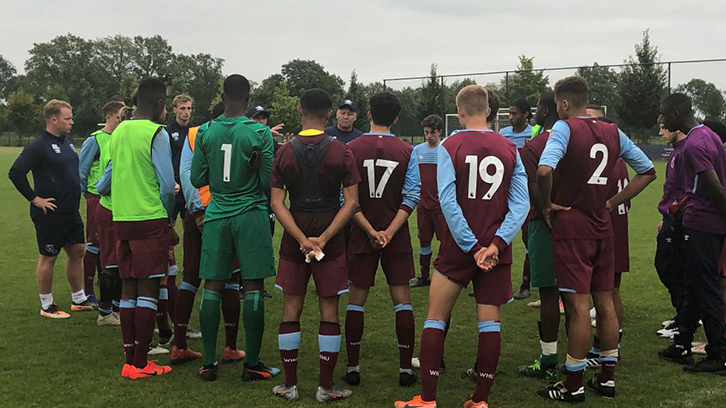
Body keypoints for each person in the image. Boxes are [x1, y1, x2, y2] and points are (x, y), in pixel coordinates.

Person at [396, 85, 530, 408]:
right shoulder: (510, 149)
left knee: (435, 317)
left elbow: (448, 201)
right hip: (495, 253)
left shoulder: (449, 145)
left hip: (459, 248)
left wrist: (472, 247)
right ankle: (480, 400)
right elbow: (521, 205)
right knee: (489, 322)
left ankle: (427, 400)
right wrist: (495, 245)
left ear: (459, 112)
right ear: (489, 111)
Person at [536, 76, 655, 402]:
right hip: (603, 225)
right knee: (605, 302)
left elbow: (544, 171)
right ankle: (607, 378)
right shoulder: (612, 130)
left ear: (562, 103)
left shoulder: (564, 128)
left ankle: (573, 385)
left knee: (577, 308)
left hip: (572, 226)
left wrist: (547, 206)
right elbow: (647, 171)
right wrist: (612, 202)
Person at [270, 88, 360, 403]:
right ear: (328, 114)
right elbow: (351, 204)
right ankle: (325, 386)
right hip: (330, 238)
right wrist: (323, 238)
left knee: (291, 308)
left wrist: (300, 238)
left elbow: (277, 203)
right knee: (329, 309)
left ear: (299, 110)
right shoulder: (342, 151)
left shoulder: (283, 151)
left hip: (295, 235)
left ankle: (289, 385)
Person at [190, 75, 278, 382]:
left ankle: (209, 364)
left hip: (217, 213)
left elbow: (197, 177)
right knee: (253, 285)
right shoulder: (260, 132)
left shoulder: (206, 130)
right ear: (248, 96)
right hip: (251, 213)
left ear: (222, 95)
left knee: (212, 285)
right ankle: (252, 363)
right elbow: (268, 181)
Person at [97, 77, 175, 379]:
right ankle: (143, 363)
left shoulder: (118, 131)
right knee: (150, 288)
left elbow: (106, 178)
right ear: (159, 104)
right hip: (150, 217)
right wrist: (168, 218)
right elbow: (167, 186)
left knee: (128, 287)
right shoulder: (157, 133)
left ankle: (131, 360)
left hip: (122, 218)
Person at [343, 92, 421, 388]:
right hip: (396, 236)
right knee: (401, 300)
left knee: (356, 300)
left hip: (363, 235)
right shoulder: (407, 150)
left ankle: (353, 367)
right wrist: (389, 230)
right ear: (397, 118)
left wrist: (369, 230)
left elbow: (345, 197)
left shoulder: (351, 148)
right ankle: (404, 369)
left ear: (368, 114)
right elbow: (412, 194)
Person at [658, 93, 726, 374]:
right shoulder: (709, 134)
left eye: (665, 115)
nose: (664, 121)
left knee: (705, 287)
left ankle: (718, 354)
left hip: (701, 224)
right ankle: (683, 340)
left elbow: (715, 188)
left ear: (676, 113)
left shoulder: (695, 143)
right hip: (706, 222)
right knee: (696, 286)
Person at [172, 101, 244, 365]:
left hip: (198, 214)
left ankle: (179, 344)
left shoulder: (194, 134)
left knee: (191, 277)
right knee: (231, 278)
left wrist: (197, 210)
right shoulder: (241, 133)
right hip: (227, 213)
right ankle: (231, 347)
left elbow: (185, 174)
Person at [9, 99, 94, 318]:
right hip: (50, 212)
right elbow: (16, 172)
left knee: (77, 251)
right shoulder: (38, 145)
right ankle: (47, 305)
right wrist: (35, 198)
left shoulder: (67, 142)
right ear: (53, 120)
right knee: (48, 257)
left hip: (70, 211)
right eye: (67, 118)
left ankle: (79, 298)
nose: (72, 122)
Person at [517, 90, 562, 381]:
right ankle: (589, 358)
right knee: (577, 294)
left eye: (537, 109)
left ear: (545, 111)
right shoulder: (579, 140)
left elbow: (533, 190)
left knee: (548, 294)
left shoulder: (534, 146)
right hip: (581, 222)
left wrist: (546, 209)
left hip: (545, 223)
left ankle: (548, 361)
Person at [78, 100, 126, 324]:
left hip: (115, 198)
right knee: (95, 245)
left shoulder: (121, 137)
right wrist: (88, 195)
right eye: (119, 117)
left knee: (112, 248)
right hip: (97, 197)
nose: (121, 121)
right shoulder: (95, 139)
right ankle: (89, 292)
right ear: (108, 117)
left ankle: (110, 298)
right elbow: (82, 169)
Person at [653, 119, 688, 338]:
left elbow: (687, 190)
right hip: (670, 217)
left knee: (673, 268)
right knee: (666, 266)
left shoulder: (686, 152)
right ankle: (683, 314)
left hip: (679, 220)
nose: (660, 132)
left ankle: (685, 318)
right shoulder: (677, 151)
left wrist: (675, 217)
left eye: (664, 127)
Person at [410, 114, 445, 288]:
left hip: (441, 206)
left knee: (445, 242)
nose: (429, 135)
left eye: (432, 132)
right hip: (423, 205)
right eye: (426, 132)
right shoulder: (417, 151)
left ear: (439, 132)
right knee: (424, 240)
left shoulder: (445, 150)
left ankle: (446, 275)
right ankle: (424, 277)